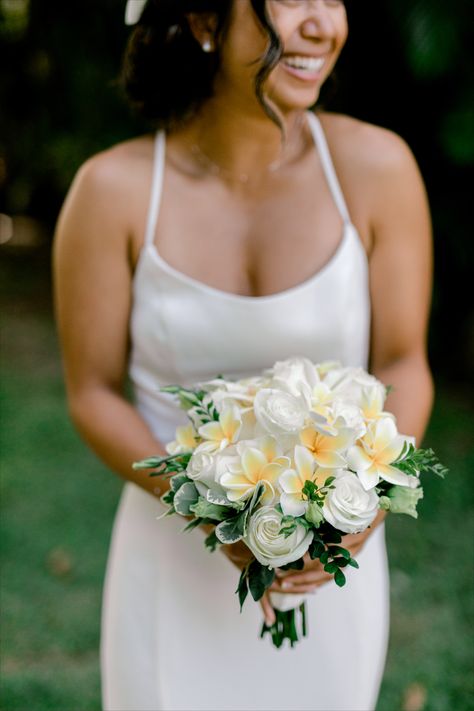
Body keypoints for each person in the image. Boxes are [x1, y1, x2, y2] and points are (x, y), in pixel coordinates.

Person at [53, 1, 434, 709]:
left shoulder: (377, 168)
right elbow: (93, 391)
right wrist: (206, 509)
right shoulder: (111, 192)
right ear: (203, 21)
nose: (323, 25)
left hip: (329, 573)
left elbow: (405, 360)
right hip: (170, 558)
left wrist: (362, 506)